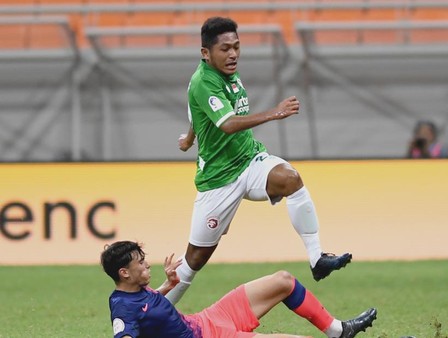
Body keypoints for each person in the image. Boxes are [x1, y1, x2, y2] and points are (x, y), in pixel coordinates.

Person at [172, 17, 352, 304]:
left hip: (249, 159)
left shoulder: (227, 73)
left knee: (291, 178)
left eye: (236, 47)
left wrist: (190, 138)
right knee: (194, 260)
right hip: (219, 179)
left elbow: (197, 111)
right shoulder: (203, 82)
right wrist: (274, 113)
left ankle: (317, 258)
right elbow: (227, 123)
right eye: (225, 49)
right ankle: (156, 313)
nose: (232, 54)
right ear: (205, 53)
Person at [102, 240, 377, 338]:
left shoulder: (136, 292)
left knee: (283, 280)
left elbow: (148, 306)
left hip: (206, 320)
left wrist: (168, 285)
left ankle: (338, 331)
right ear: (124, 273)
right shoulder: (122, 309)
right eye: (141, 263)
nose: (147, 264)